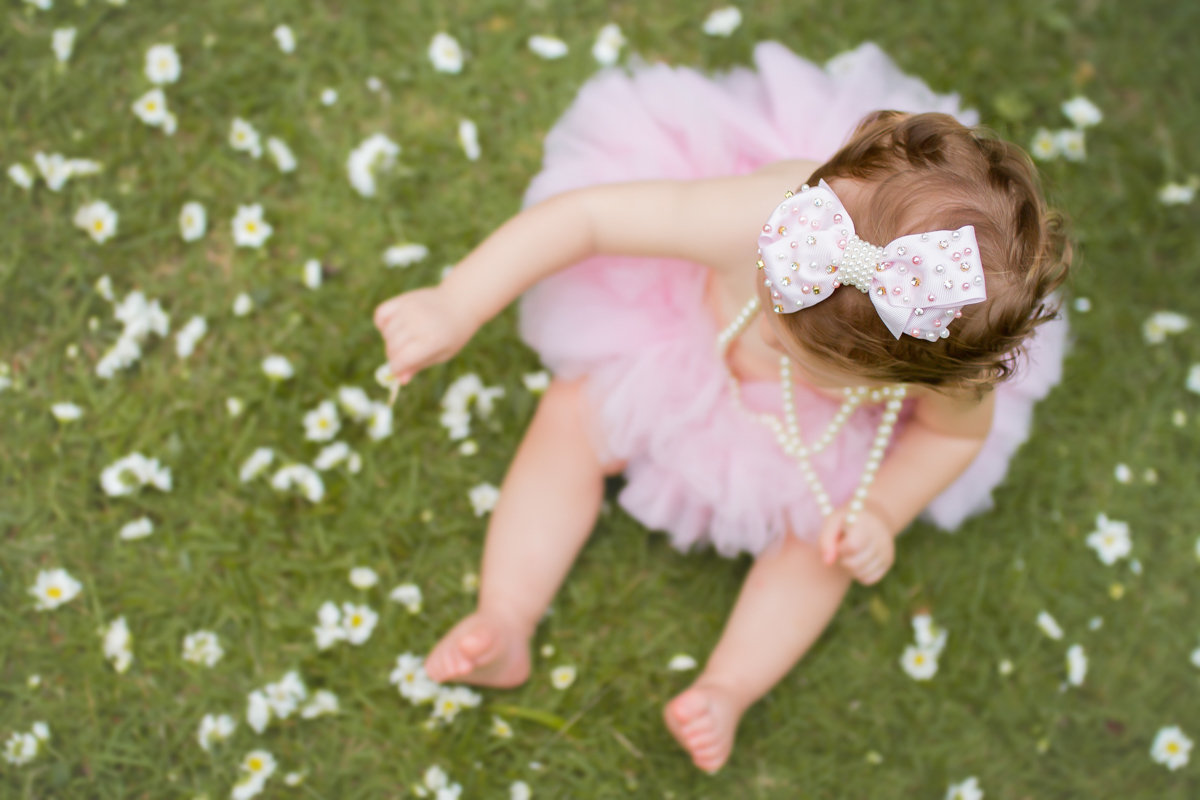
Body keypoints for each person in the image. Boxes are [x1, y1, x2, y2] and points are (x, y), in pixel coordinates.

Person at [373, 42, 1070, 773]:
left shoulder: (944, 358)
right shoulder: (763, 220)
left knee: (824, 549)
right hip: (686, 339)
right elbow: (588, 219)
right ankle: (504, 615)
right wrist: (456, 302)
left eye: (805, 353)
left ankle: (727, 688)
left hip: (816, 437)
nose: (770, 328)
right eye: (775, 302)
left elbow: (951, 440)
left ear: (903, 373)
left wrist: (880, 512)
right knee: (571, 421)